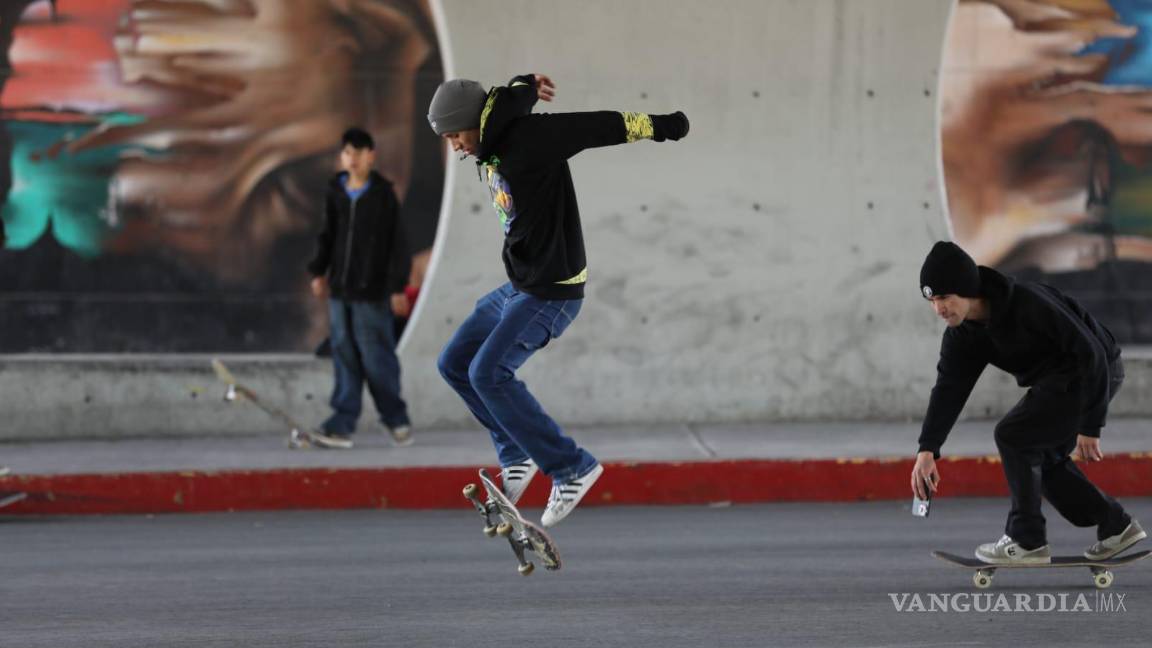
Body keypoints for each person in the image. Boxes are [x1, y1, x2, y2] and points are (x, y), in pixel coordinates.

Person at [426, 73, 688, 527]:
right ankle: (517, 455)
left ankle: (572, 467)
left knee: (488, 373)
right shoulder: (494, 133)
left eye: (456, 136)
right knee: (454, 362)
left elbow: (596, 126)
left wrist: (661, 125)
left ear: (473, 122)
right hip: (519, 288)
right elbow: (509, 98)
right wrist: (525, 82)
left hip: (553, 291)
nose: (456, 147)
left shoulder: (532, 138)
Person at [911, 241, 1145, 564]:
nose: (939, 309)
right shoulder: (962, 335)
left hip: (1094, 369)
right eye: (932, 300)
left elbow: (1091, 353)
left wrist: (1092, 424)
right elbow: (949, 388)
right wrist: (928, 449)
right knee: (1043, 462)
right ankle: (1115, 525)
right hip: (1059, 379)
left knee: (1014, 436)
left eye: (945, 298)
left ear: (967, 290)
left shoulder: (1027, 303)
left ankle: (1027, 539)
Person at [306, 128, 413, 449]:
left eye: (359, 153)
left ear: (371, 156)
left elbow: (398, 245)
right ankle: (342, 422)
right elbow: (327, 235)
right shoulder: (335, 193)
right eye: (347, 153)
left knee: (376, 356)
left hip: (373, 293)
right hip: (340, 290)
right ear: (342, 157)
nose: (353, 159)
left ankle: (396, 418)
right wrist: (319, 271)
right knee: (343, 353)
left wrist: (397, 288)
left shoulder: (383, 195)